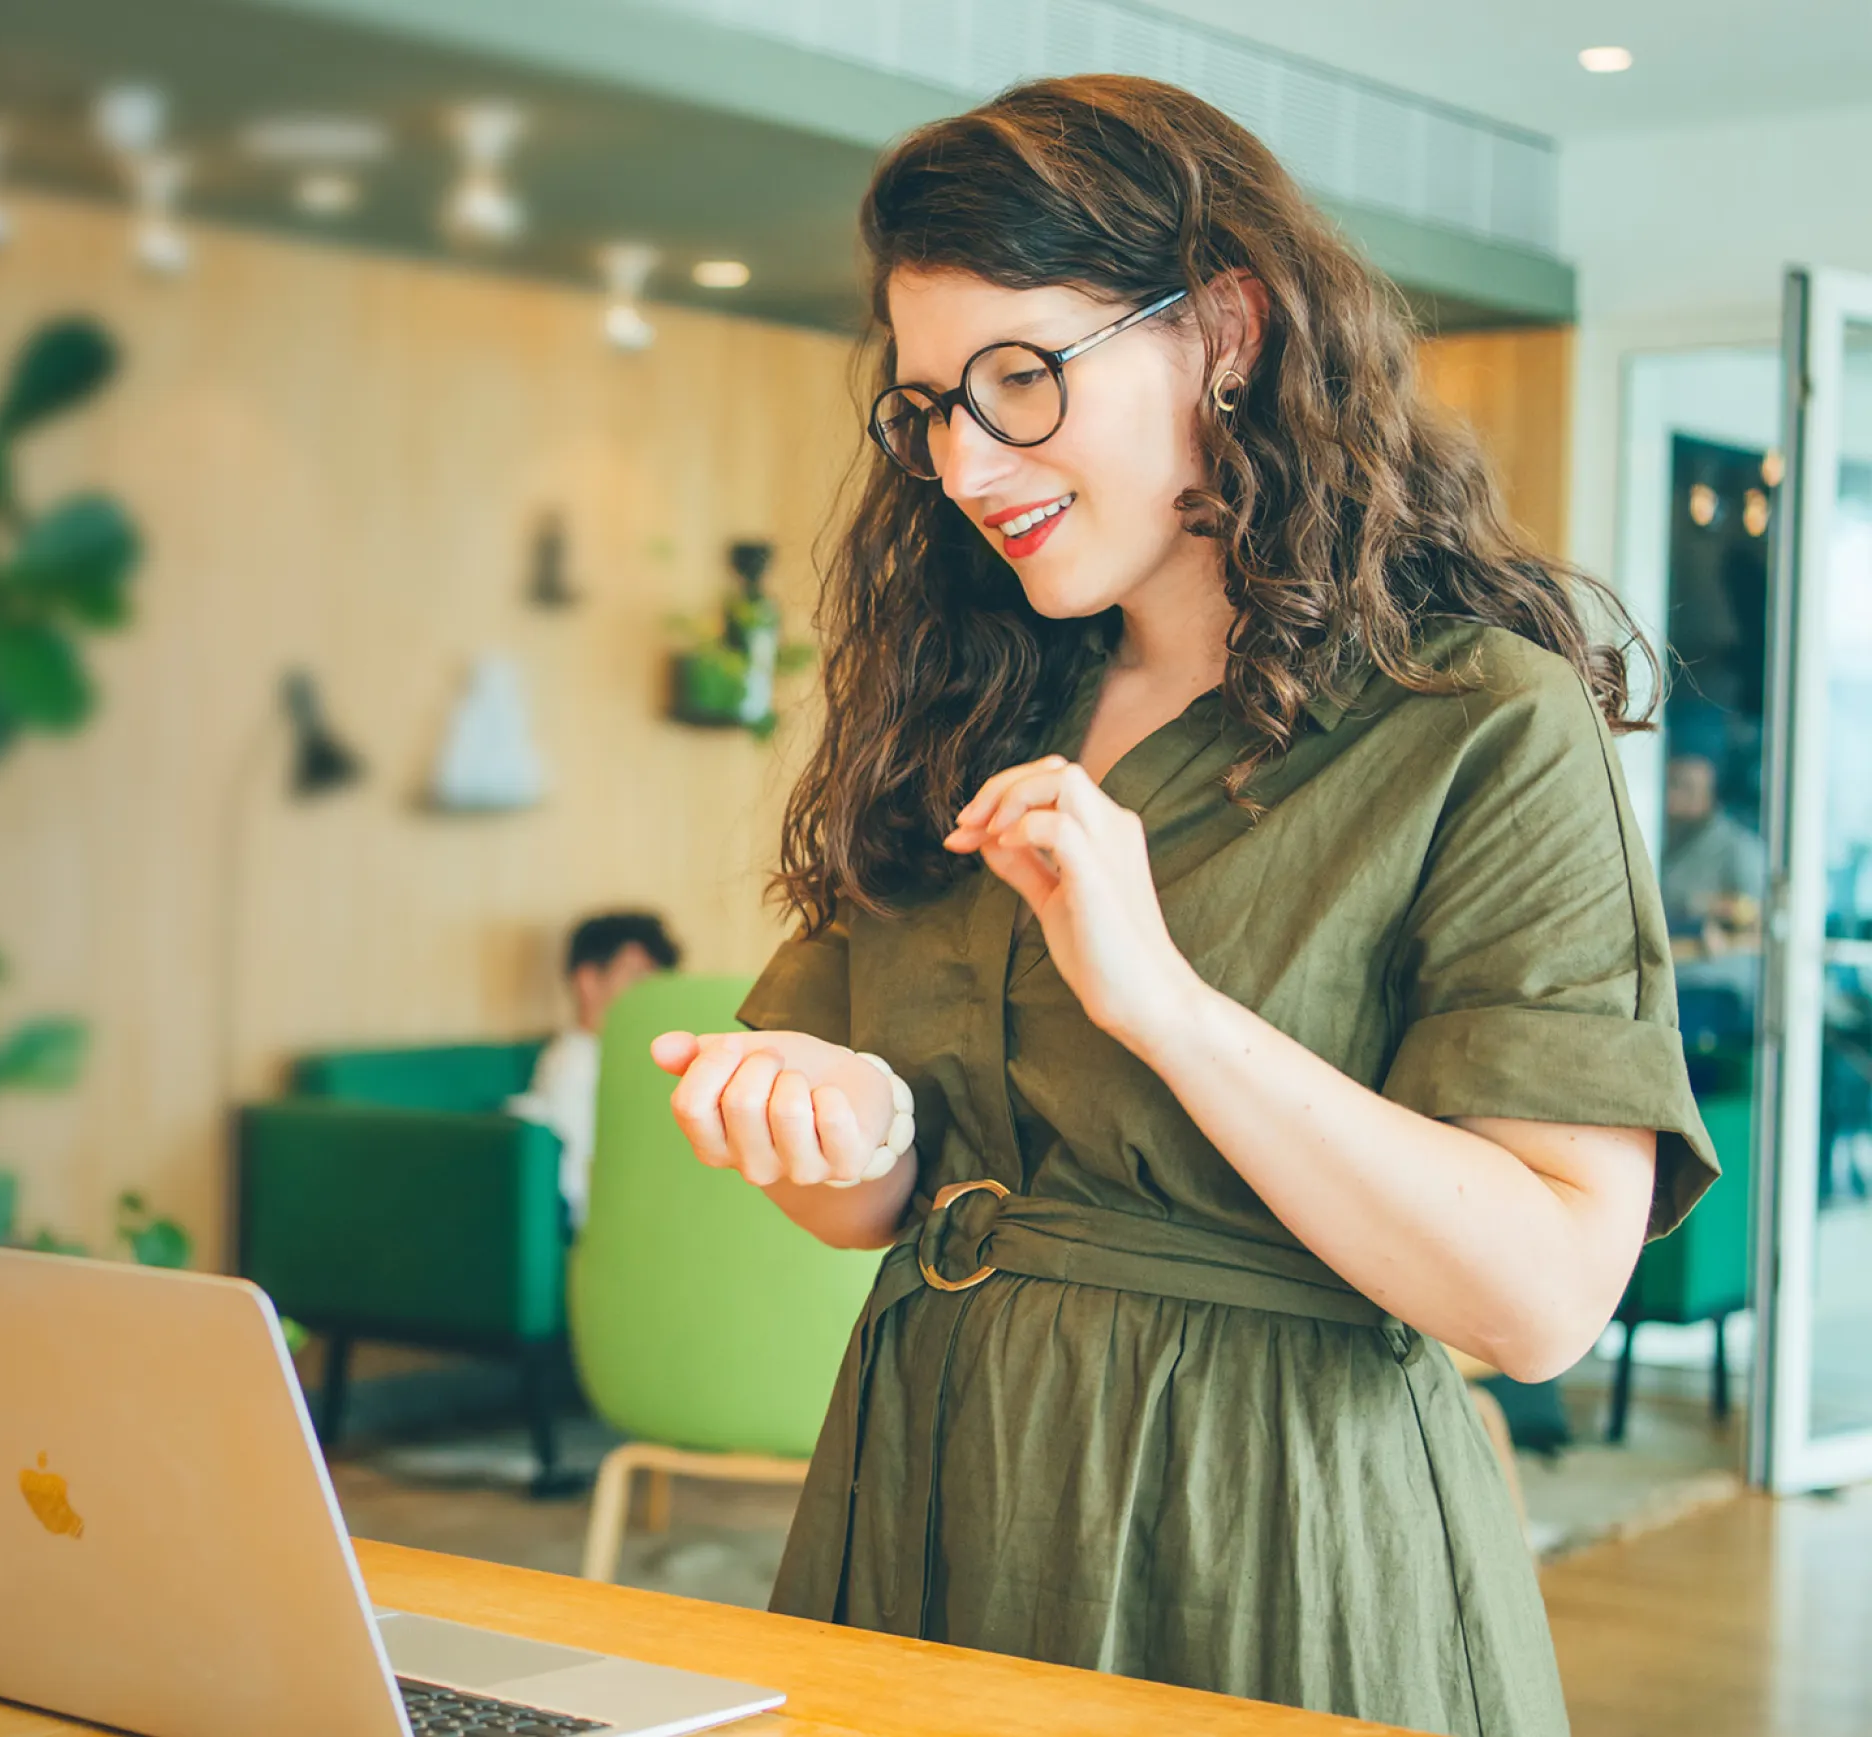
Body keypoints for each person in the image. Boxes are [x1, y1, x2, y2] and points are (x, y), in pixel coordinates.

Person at [640, 77, 1714, 1737]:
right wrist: (839, 1126)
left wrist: (1162, 1000)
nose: (960, 460)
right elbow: (875, 1195)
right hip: (926, 1480)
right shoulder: (969, 699)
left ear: (1222, 329)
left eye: (1019, 379)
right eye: (925, 404)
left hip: (1268, 1528)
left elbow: (1541, 1296)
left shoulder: (1473, 717)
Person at [504, 911, 681, 1225]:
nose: (651, 995)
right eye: (637, 977)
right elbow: (580, 1188)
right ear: (588, 981)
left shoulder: (636, 1059)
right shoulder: (575, 1064)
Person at [1658, 752, 1767, 953]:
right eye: (1668, 784)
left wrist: (1703, 907)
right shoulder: (1659, 832)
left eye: (1684, 787)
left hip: (1706, 975)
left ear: (1711, 794)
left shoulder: (1740, 849)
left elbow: (1757, 922)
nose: (1671, 796)